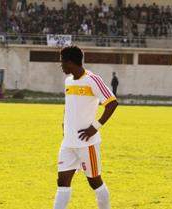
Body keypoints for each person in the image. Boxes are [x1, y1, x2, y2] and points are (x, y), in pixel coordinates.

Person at [53, 45, 118, 209]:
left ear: (70, 62)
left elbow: (112, 103)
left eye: (62, 62)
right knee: (62, 181)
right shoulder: (68, 81)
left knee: (94, 182)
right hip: (68, 142)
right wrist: (64, 124)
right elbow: (69, 106)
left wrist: (95, 127)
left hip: (87, 143)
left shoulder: (92, 79)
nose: (61, 65)